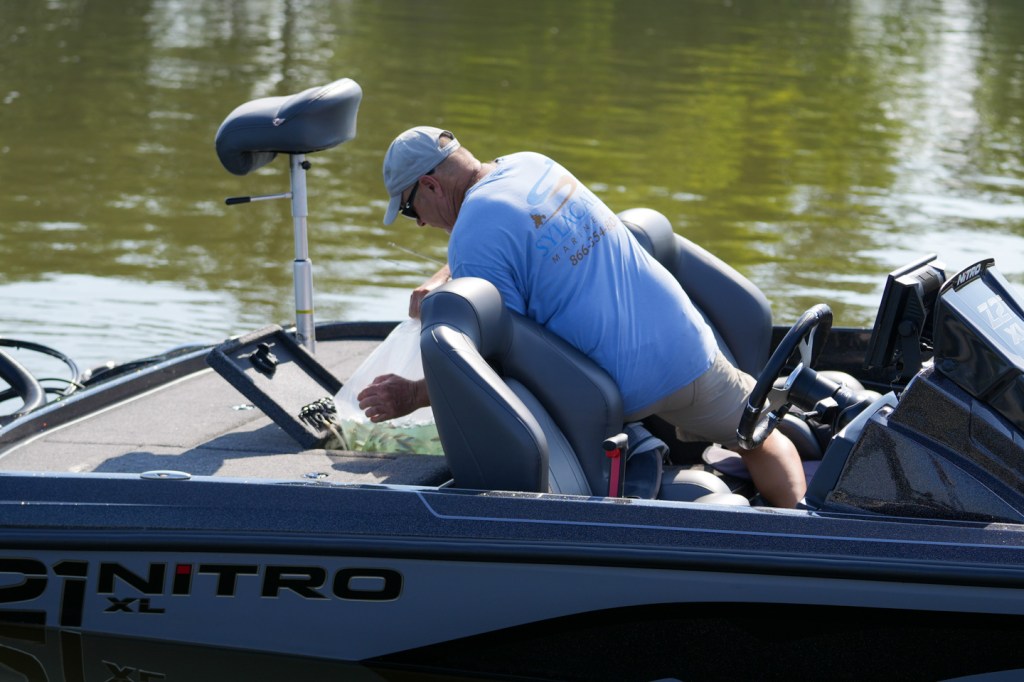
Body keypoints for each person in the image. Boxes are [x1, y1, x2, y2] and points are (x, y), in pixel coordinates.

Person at [357, 126, 806, 507]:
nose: (418, 223)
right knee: (761, 438)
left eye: (409, 209)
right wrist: (444, 275)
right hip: (688, 348)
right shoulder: (532, 165)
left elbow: (488, 360)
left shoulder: (473, 237)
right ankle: (799, 531)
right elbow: (512, 233)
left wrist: (413, 394)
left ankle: (632, 453)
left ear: (431, 186)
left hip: (619, 390)